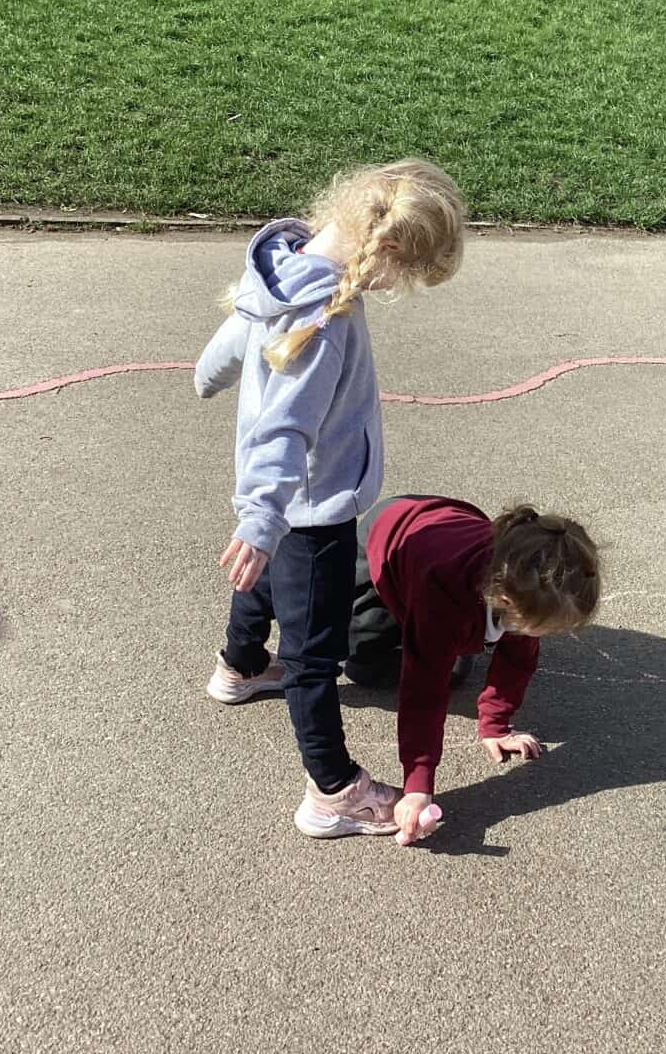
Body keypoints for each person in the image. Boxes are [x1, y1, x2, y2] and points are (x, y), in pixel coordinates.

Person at [193, 160, 465, 838]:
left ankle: (240, 666)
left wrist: (209, 375)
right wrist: (262, 515)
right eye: (405, 274)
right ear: (388, 250)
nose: (395, 286)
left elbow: (236, 333)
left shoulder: (284, 266)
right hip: (312, 503)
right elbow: (286, 425)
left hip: (290, 499)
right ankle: (334, 791)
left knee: (265, 576)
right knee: (315, 653)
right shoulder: (325, 318)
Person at [344, 496, 601, 844]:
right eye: (549, 628)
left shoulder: (521, 582)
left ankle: (444, 633)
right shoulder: (442, 592)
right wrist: (418, 785)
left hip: (448, 534)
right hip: (388, 534)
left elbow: (519, 658)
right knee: (362, 661)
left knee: (456, 661)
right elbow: (423, 690)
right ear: (506, 601)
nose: (554, 635)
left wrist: (496, 726)